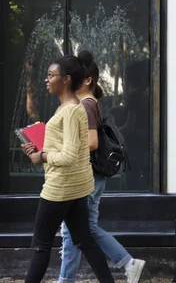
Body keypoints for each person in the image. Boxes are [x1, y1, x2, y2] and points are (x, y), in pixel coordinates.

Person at [21, 55, 115, 283]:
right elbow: (69, 146)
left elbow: (71, 155)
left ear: (66, 80)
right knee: (85, 240)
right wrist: (40, 146)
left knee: (40, 247)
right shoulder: (69, 107)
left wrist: (41, 156)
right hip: (75, 187)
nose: (46, 79)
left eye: (51, 75)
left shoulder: (72, 110)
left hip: (60, 188)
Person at [57, 51, 146, 283]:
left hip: (86, 176)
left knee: (71, 232)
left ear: (87, 80)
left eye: (74, 77)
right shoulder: (91, 102)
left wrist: (62, 148)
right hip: (94, 176)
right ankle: (129, 263)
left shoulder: (85, 105)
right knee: (88, 228)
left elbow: (93, 142)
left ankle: (65, 280)